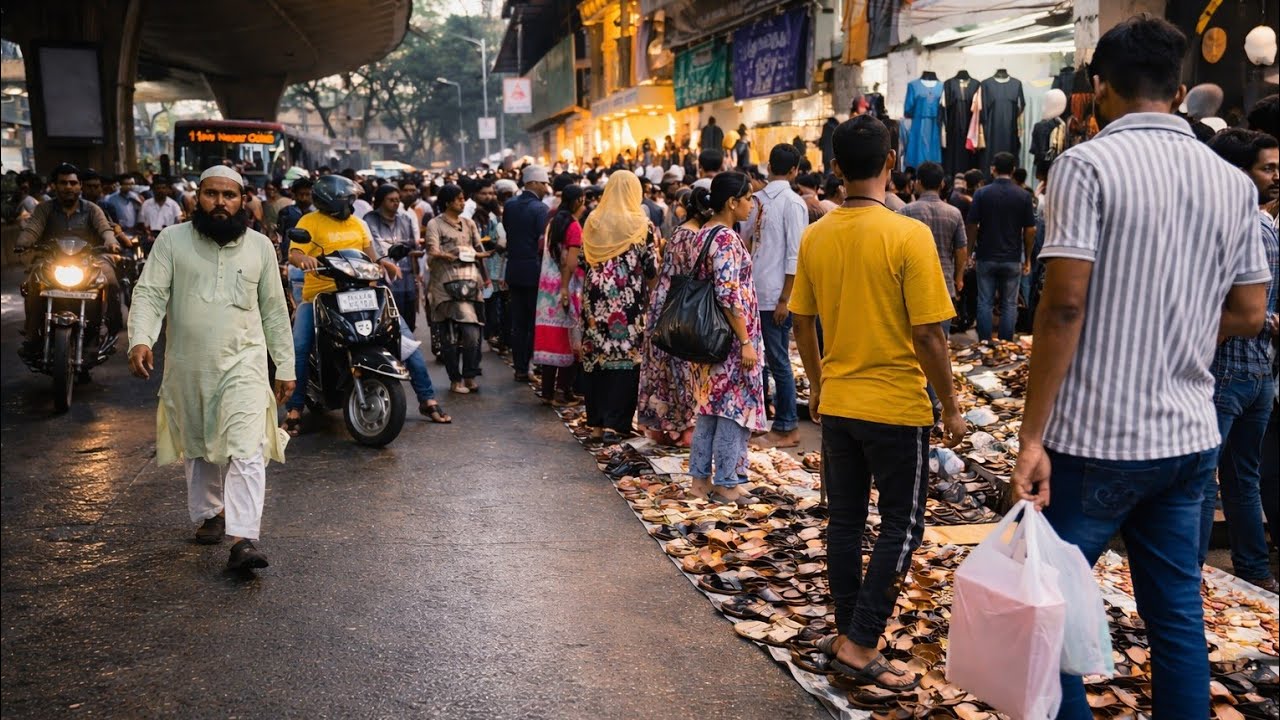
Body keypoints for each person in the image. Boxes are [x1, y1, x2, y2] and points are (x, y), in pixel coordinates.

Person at [1009, 16, 1270, 720]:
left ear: (1098, 90)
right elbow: (1249, 311)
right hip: (1187, 437)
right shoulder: (1233, 184)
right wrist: (1174, 325)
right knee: (1177, 613)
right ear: (1181, 90)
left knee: (1046, 606)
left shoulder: (1086, 166)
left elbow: (1063, 307)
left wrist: (1032, 438)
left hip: (1096, 440)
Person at [791, 115, 965, 692]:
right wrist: (953, 405)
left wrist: (817, 384)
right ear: (892, 161)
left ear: (836, 168)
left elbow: (801, 320)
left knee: (844, 521)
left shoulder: (817, 233)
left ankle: (848, 632)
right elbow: (930, 337)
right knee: (902, 524)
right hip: (896, 406)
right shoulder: (907, 234)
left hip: (839, 403)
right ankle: (862, 642)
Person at [126, 166, 295, 570]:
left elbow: (274, 308)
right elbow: (150, 293)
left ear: (243, 201)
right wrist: (141, 339)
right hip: (190, 363)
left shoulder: (259, 247)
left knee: (248, 447)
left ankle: (243, 538)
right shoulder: (171, 241)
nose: (220, 202)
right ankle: (210, 514)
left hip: (246, 363)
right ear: (196, 199)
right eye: (211, 194)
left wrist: (284, 364)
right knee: (199, 442)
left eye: (229, 195)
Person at [1199, 128, 1280, 592]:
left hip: (1228, 369)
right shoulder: (1267, 225)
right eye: (1267, 168)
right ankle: (1253, 571)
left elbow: (1236, 309)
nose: (1275, 177)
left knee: (1203, 480)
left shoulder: (1241, 227)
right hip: (1260, 373)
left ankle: (1191, 575)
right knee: (1242, 479)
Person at [281, 175, 405, 434]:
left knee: (399, 337)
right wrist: (303, 259)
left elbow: (371, 257)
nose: (352, 204)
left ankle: (428, 398)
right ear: (332, 200)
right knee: (300, 347)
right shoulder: (309, 222)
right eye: (348, 199)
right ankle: (294, 408)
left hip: (359, 293)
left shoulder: (358, 224)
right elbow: (293, 254)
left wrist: (384, 262)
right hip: (319, 296)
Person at [685, 172, 766, 503]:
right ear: (732, 202)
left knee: (709, 409)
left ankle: (700, 481)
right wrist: (745, 340)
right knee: (732, 409)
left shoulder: (703, 234)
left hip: (709, 337)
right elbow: (728, 293)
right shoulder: (727, 240)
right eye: (748, 198)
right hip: (730, 340)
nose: (751, 205)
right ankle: (727, 481)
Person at [578, 172, 658, 441]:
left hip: (594, 301)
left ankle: (596, 424)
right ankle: (616, 424)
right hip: (627, 304)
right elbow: (651, 267)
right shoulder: (641, 224)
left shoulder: (593, 221)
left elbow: (582, 259)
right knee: (625, 360)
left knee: (596, 359)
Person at [17, 163, 124, 359]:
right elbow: (32, 229)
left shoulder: (92, 209)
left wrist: (111, 242)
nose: (68, 187)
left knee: (110, 280)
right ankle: (32, 336)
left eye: (73, 183)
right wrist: (24, 242)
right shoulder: (44, 209)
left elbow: (105, 230)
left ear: (80, 186)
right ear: (54, 186)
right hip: (51, 261)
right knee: (31, 282)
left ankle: (110, 325)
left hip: (89, 260)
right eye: (63, 183)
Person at [742, 144, 807, 448]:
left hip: (766, 293)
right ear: (795, 170)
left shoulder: (762, 201)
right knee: (767, 362)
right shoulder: (778, 202)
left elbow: (793, 255)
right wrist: (785, 297)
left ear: (769, 166)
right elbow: (796, 254)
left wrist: (785, 299)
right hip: (768, 292)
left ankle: (786, 426)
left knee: (774, 360)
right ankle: (767, 421)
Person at [638, 187, 712, 447]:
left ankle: (665, 426)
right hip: (681, 307)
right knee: (680, 370)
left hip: (664, 302)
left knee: (663, 369)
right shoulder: (694, 237)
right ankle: (680, 428)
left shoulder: (680, 232)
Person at [966, 151, 1035, 341]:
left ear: (993, 169)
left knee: (985, 302)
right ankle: (1006, 343)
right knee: (1009, 304)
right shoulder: (1023, 195)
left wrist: (969, 252)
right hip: (1012, 257)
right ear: (1013, 170)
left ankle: (985, 343)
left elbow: (971, 225)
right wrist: (1027, 257)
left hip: (986, 255)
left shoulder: (981, 194)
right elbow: (1030, 229)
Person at [426, 184, 488, 394]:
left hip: (470, 283)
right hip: (444, 284)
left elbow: (480, 249)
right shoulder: (435, 224)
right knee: (447, 335)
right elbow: (432, 249)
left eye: (463, 198)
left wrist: (486, 274)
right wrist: (446, 254)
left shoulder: (469, 223)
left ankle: (470, 375)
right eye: (459, 199)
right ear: (447, 202)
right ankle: (455, 379)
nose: (463, 202)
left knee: (473, 332)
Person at [532, 185, 586, 406]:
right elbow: (570, 263)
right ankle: (563, 392)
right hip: (566, 287)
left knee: (551, 338)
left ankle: (547, 393)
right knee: (569, 339)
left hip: (547, 288)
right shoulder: (573, 226)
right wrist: (566, 288)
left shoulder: (554, 222)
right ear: (578, 201)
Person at [900, 161, 967, 335]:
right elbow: (961, 249)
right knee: (940, 339)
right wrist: (959, 277)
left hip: (913, 282)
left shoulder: (905, 212)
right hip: (944, 282)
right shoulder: (954, 213)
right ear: (942, 184)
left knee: (913, 340)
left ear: (918, 183)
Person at [503, 166, 552, 382]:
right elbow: (543, 242)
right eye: (543, 184)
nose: (545, 189)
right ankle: (534, 364)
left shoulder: (509, 206)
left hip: (514, 270)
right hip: (534, 271)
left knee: (518, 322)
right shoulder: (540, 209)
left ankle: (520, 367)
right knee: (533, 322)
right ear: (533, 183)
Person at [364, 184, 421, 331]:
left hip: (406, 274)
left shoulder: (405, 219)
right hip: (382, 276)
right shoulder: (370, 220)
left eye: (397, 199)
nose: (396, 202)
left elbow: (410, 247)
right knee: (389, 320)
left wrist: (417, 275)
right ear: (381, 201)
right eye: (391, 200)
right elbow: (373, 248)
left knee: (409, 321)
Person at [139, 175, 184, 240]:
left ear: (167, 189)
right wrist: (147, 233)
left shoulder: (174, 205)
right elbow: (141, 223)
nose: (161, 190)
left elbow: (179, 223)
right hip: (150, 239)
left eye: (163, 188)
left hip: (168, 239)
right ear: (153, 190)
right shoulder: (146, 204)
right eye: (158, 188)